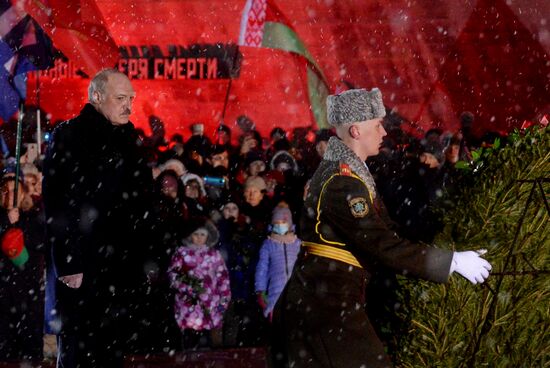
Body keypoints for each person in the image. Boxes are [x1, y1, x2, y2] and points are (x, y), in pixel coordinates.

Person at [271, 88, 492, 368]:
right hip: (324, 307)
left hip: (326, 300)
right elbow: (381, 243)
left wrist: (442, 243)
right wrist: (450, 262)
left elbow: (389, 231)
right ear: (356, 131)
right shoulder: (342, 182)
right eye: (377, 125)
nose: (385, 133)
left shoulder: (353, 175)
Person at [42, 68, 155, 367]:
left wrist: (144, 256)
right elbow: (57, 203)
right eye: (120, 98)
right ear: (96, 97)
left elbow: (142, 201)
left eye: (131, 97)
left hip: (120, 265)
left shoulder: (130, 138)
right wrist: (68, 262)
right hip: (83, 263)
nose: (128, 105)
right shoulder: (69, 135)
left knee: (113, 349)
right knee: (79, 349)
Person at [167, 220, 231, 350]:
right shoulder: (182, 253)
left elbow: (223, 280)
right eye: (196, 234)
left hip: (211, 310)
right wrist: (190, 285)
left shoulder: (214, 255)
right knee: (190, 348)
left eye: (203, 234)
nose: (199, 238)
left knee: (212, 349)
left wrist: (223, 303)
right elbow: (174, 274)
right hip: (188, 310)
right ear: (190, 235)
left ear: (208, 236)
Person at [254, 203, 301, 319]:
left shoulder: (297, 243)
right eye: (277, 223)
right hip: (276, 291)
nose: (280, 226)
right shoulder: (268, 244)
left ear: (289, 224)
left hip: (296, 290)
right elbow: (262, 268)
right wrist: (260, 290)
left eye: (283, 223)